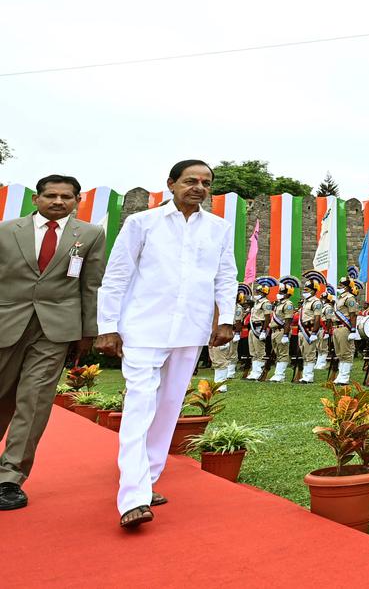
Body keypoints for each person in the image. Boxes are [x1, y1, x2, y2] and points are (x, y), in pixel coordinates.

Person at [96, 159, 237, 528]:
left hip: (189, 329)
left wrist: (225, 319)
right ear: (171, 184)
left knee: (170, 406)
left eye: (206, 182)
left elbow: (226, 275)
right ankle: (133, 496)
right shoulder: (142, 223)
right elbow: (117, 275)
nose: (198, 187)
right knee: (140, 404)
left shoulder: (218, 228)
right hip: (143, 327)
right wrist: (108, 326)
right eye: (190, 180)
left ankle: (149, 478)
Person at [0, 175, 105, 512]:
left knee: (35, 399)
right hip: (5, 323)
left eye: (66, 197)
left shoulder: (89, 235)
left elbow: (91, 285)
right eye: (51, 196)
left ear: (77, 201)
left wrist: (89, 331)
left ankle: (10, 477)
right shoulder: (6, 230)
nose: (58, 202)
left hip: (56, 330)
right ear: (36, 198)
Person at [210, 283, 249, 391]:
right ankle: (217, 382)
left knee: (221, 358)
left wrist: (236, 333)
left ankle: (221, 384)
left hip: (224, 332)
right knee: (215, 357)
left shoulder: (235, 307)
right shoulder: (219, 305)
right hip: (214, 332)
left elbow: (237, 322)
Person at [296, 271, 327, 384]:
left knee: (309, 353)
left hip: (309, 331)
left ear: (313, 291)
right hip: (302, 330)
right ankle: (305, 374)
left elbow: (317, 318)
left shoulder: (316, 302)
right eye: (304, 290)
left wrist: (314, 333)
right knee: (304, 353)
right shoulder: (305, 302)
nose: (304, 292)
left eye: (307, 290)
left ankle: (309, 376)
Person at [330, 276, 361, 385]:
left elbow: (353, 315)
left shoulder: (350, 298)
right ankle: (341, 374)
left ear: (348, 287)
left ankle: (345, 376)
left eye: (342, 285)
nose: (340, 287)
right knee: (340, 353)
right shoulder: (340, 298)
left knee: (346, 352)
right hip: (336, 327)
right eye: (340, 285)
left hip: (344, 327)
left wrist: (353, 330)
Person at [268, 277, 299, 383]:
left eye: (282, 292)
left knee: (283, 353)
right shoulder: (278, 304)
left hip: (281, 331)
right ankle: (278, 373)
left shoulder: (288, 304)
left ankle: (280, 374)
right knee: (278, 353)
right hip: (275, 331)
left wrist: (286, 335)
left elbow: (288, 321)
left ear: (288, 294)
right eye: (280, 291)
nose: (280, 293)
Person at [246, 279, 275, 380]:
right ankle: (254, 371)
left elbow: (267, 318)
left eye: (258, 292)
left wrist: (263, 331)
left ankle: (259, 372)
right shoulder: (256, 303)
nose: (256, 294)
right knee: (253, 351)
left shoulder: (266, 303)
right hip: (252, 327)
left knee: (259, 351)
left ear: (263, 293)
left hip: (259, 328)